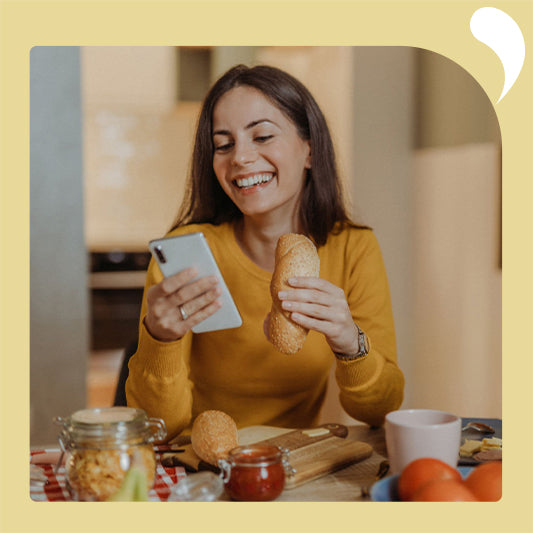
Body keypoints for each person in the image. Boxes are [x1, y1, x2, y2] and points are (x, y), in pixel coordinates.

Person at [125, 64, 404, 440]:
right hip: (197, 466)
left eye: (262, 136)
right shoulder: (187, 254)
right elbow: (158, 428)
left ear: (309, 149)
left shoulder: (353, 248)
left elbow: (379, 410)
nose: (239, 157)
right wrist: (160, 339)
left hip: (290, 467)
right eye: (224, 144)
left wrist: (349, 342)